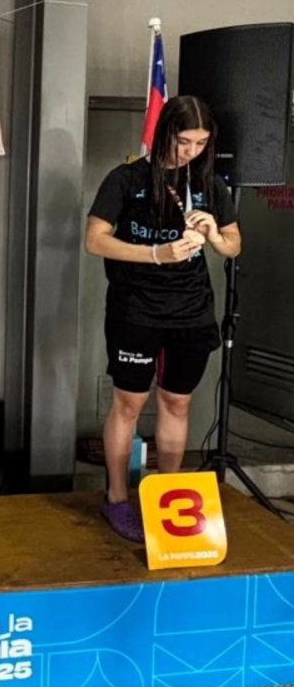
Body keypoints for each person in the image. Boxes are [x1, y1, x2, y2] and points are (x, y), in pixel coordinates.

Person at [85, 95, 241, 542]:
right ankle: (116, 497)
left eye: (201, 143)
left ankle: (168, 496)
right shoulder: (126, 178)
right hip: (136, 309)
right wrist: (155, 253)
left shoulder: (209, 183)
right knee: (129, 404)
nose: (191, 151)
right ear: (165, 132)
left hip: (191, 311)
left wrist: (214, 235)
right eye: (184, 140)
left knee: (177, 402)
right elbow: (95, 240)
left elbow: (234, 243)